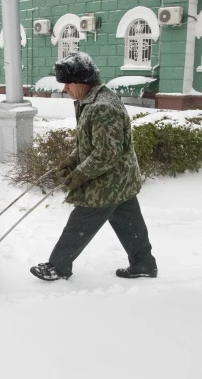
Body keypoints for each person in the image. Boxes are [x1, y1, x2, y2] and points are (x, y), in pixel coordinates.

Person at [30, 52, 157, 281]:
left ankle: (58, 267)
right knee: (129, 222)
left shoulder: (102, 107)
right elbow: (92, 143)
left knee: (81, 221)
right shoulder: (90, 100)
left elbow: (107, 154)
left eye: (68, 82)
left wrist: (79, 174)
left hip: (109, 181)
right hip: (121, 179)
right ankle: (144, 263)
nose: (65, 88)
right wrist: (72, 159)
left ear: (83, 80)